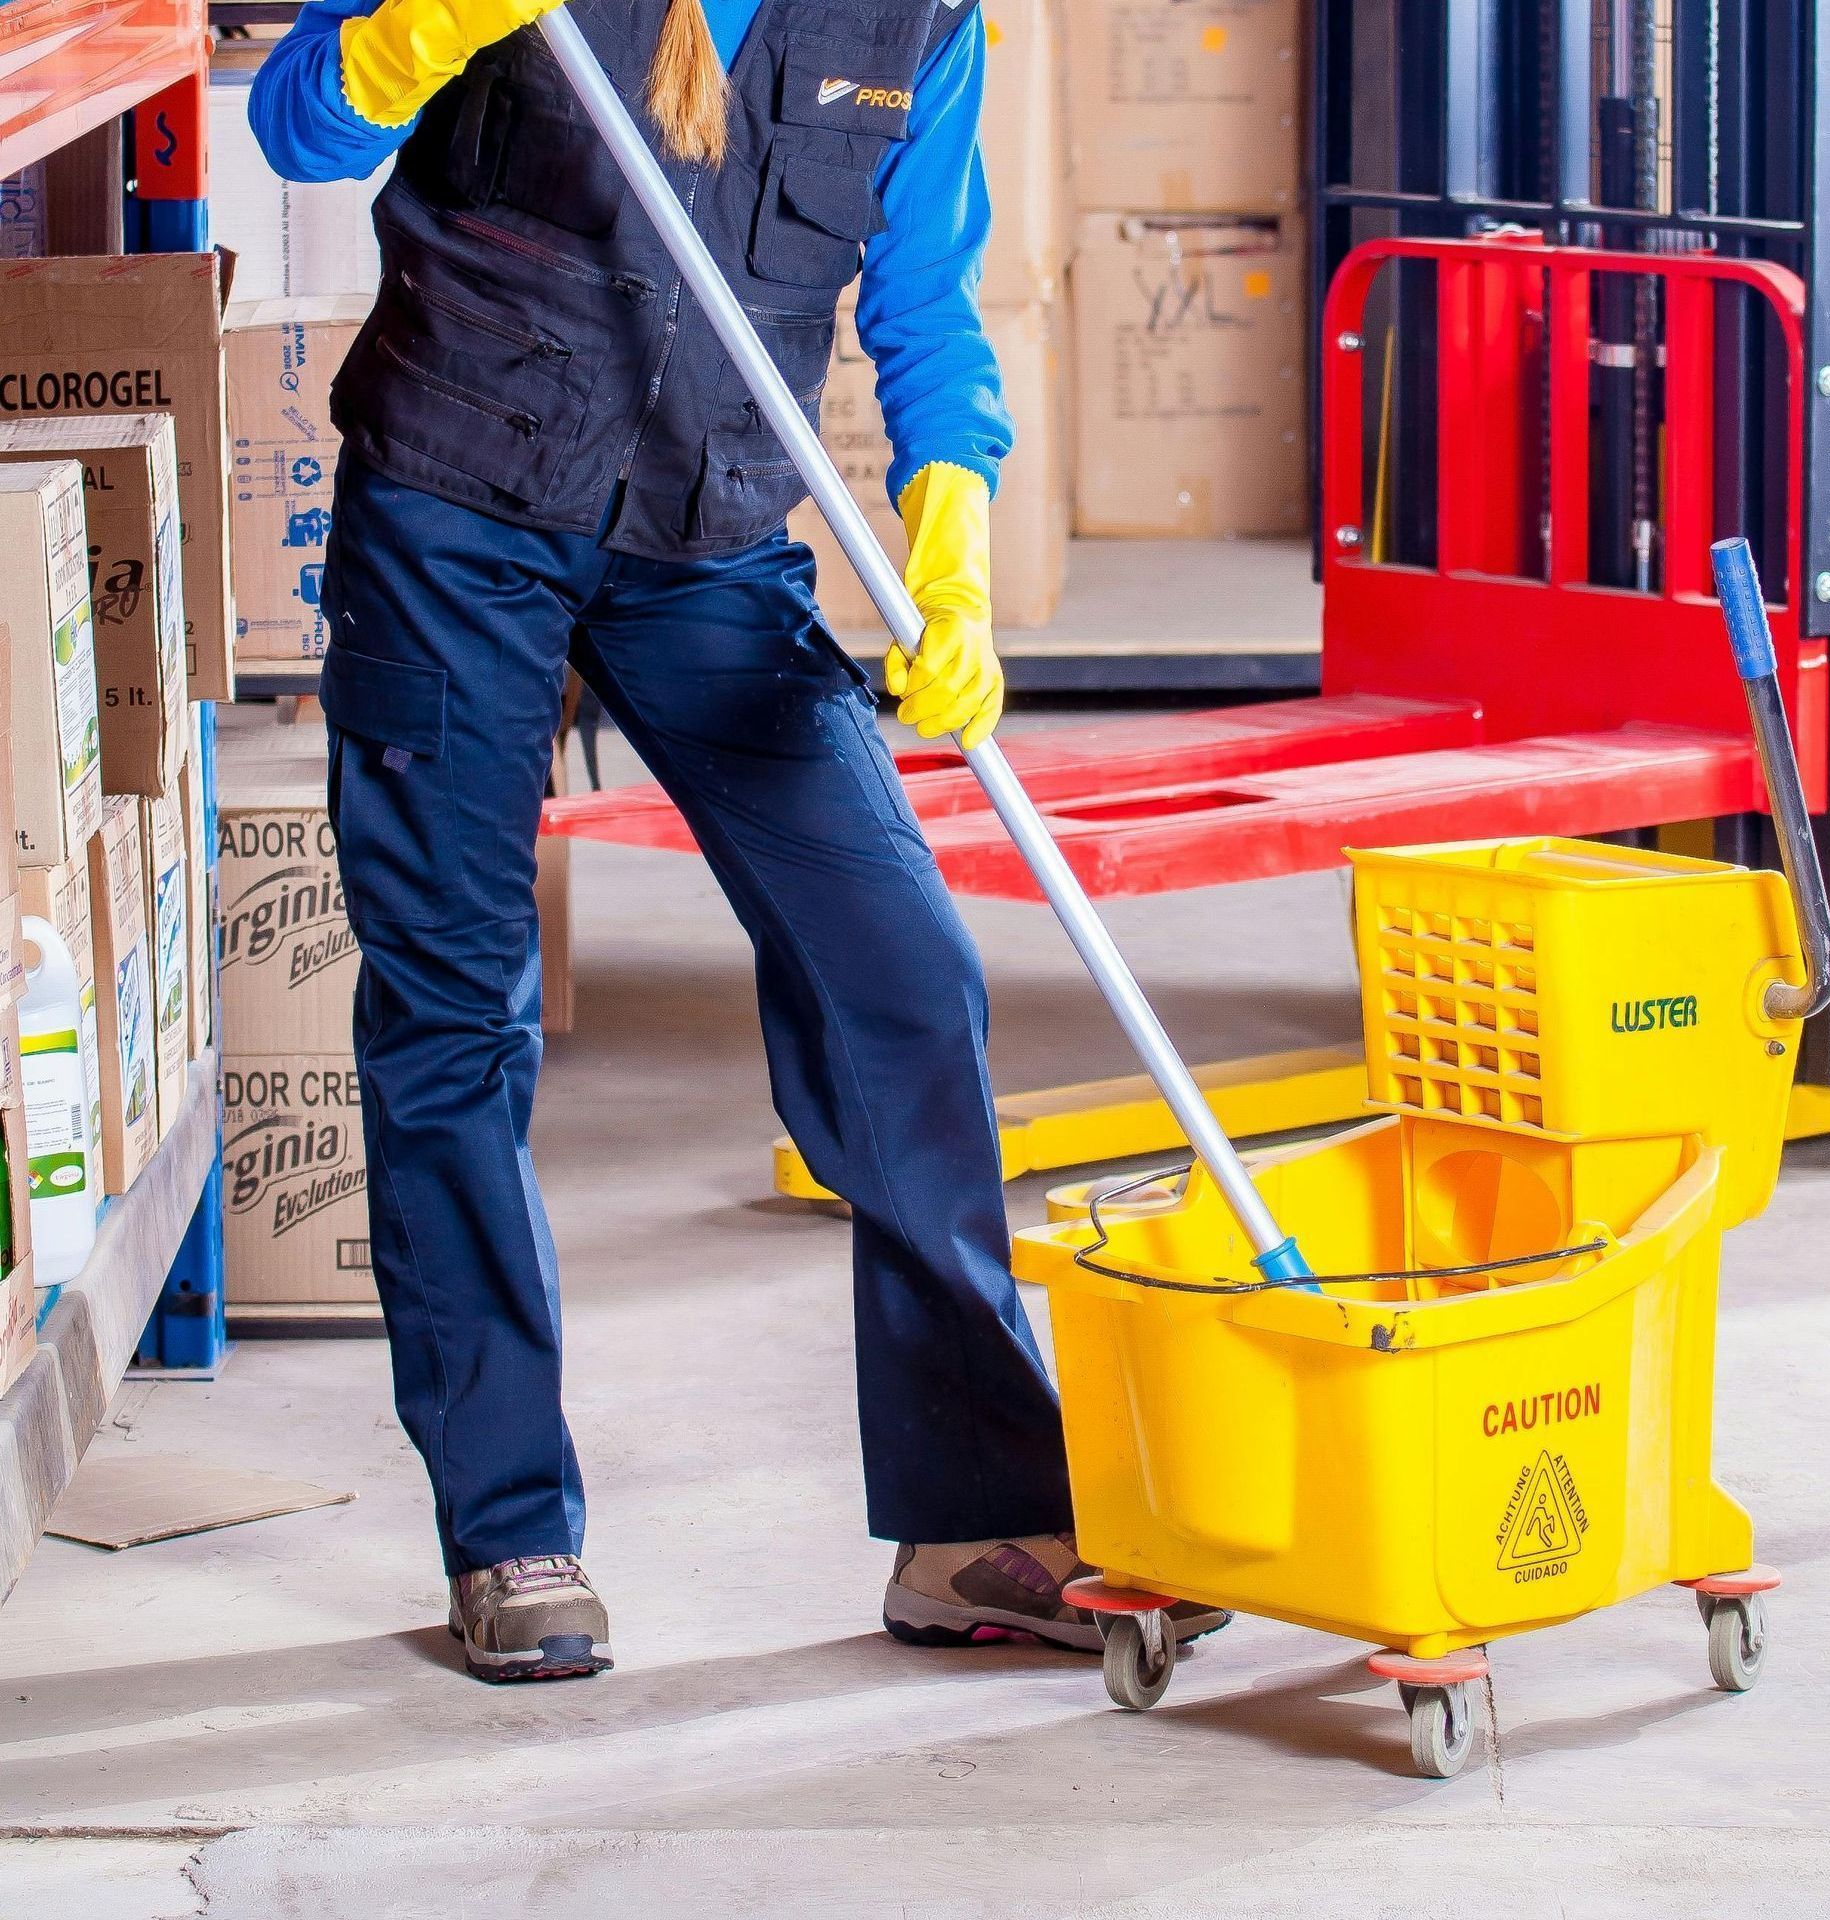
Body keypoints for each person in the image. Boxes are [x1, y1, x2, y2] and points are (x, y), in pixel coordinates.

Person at [248, 0, 1226, 1682]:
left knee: (901, 975)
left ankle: (976, 1522)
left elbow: (923, 309)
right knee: (454, 1011)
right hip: (455, 512)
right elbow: (295, 129)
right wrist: (412, 40)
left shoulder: (921, 18)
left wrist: (952, 541)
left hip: (710, 537)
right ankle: (509, 1530)